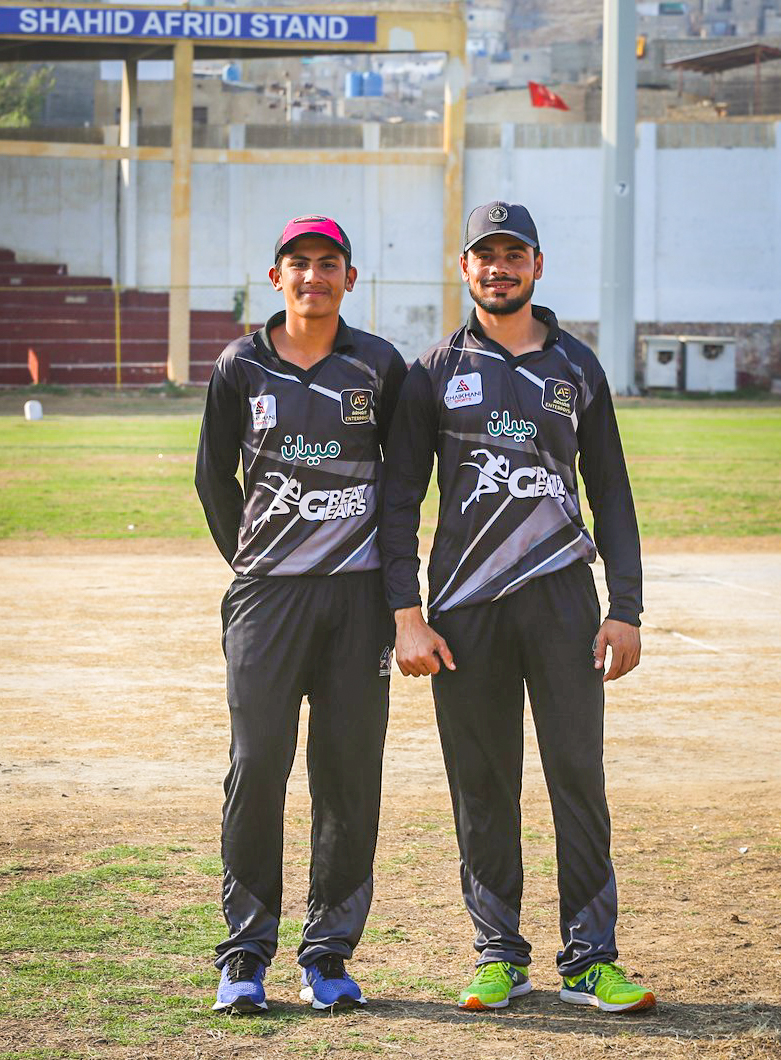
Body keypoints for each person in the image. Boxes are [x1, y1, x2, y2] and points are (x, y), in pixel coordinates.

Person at [379, 201, 656, 1014]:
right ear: (464, 268)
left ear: (536, 265)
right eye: (484, 255)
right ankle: (498, 954)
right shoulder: (432, 370)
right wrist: (405, 611)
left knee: (577, 777)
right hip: (464, 609)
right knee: (482, 784)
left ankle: (590, 960)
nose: (498, 268)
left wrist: (626, 606)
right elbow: (398, 501)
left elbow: (611, 492)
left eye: (513, 254)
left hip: (564, 599)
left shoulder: (576, 365)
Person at [196, 214, 407, 1014]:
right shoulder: (240, 365)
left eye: (327, 263)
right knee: (256, 766)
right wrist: (255, 562)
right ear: (276, 276)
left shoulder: (378, 365)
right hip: (267, 598)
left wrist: (395, 592)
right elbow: (213, 478)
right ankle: (245, 955)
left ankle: (328, 955)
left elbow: (401, 485)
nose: (312, 276)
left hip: (358, 600)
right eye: (298, 263)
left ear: (349, 278)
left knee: (347, 774)